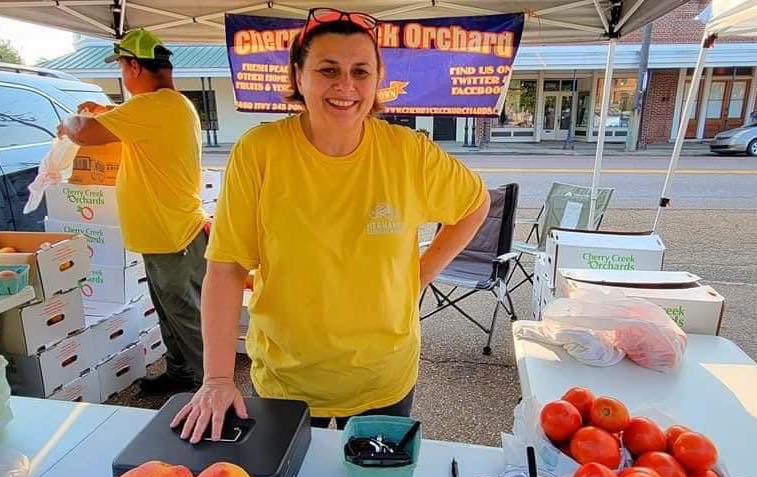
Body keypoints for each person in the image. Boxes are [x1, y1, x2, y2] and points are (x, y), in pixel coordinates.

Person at [172, 8, 490, 443]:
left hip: (384, 377)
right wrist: (217, 379)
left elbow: (474, 204)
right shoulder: (260, 152)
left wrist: (420, 273)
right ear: (298, 76)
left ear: (378, 79)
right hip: (288, 381)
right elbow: (226, 269)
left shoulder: (408, 154)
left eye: (361, 71)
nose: (346, 85)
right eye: (328, 69)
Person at [57, 29, 207, 393]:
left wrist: (69, 123)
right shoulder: (169, 105)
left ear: (135, 67)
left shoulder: (153, 106)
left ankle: (211, 388)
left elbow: (84, 133)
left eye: (122, 67)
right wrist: (106, 111)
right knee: (171, 314)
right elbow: (122, 117)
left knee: (187, 318)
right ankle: (182, 375)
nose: (122, 77)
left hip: (173, 237)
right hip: (165, 234)